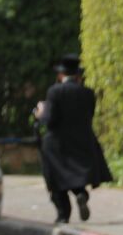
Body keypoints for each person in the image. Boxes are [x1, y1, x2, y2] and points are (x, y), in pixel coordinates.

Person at [35, 54, 112, 223]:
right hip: (82, 141)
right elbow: (89, 115)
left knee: (56, 180)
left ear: (60, 75)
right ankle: (81, 194)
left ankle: (63, 215)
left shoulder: (54, 92)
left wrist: (40, 113)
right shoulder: (88, 93)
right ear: (78, 75)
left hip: (57, 144)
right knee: (75, 176)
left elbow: (50, 119)